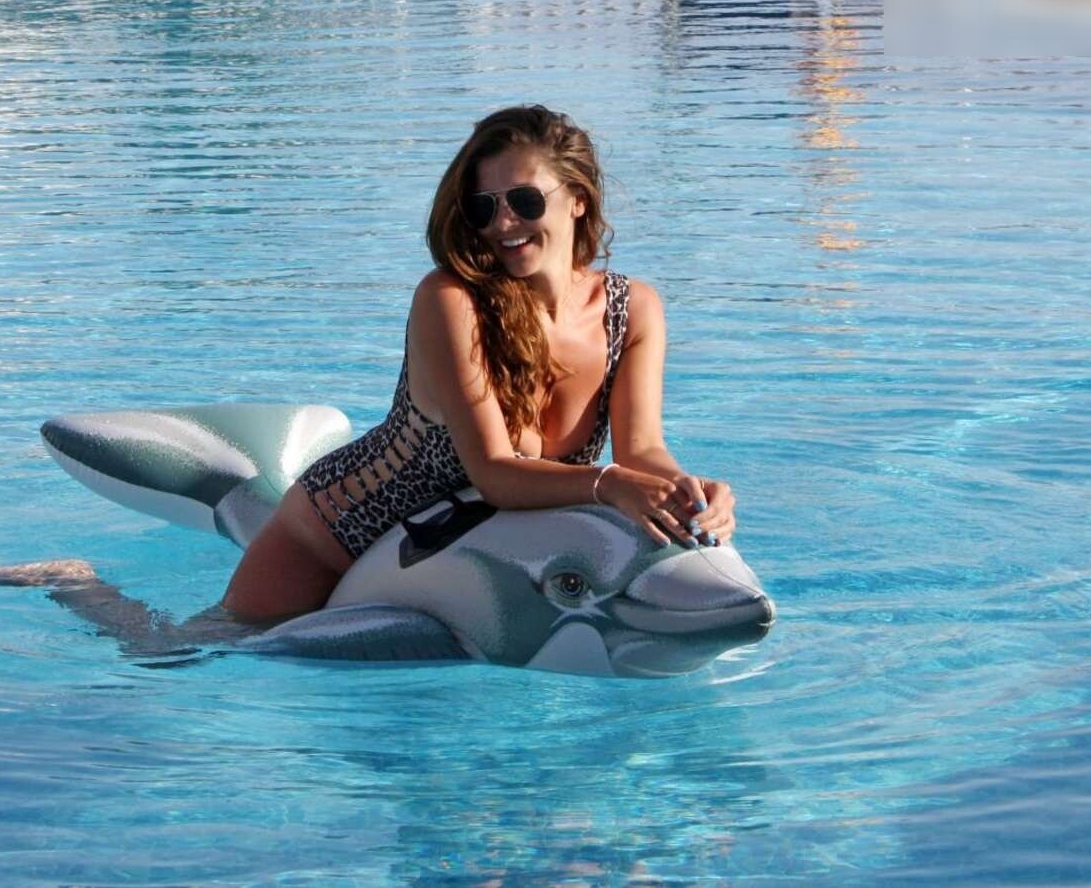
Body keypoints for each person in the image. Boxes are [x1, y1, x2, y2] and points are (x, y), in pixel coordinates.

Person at [221, 104, 736, 622]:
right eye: (484, 207)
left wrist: (688, 494)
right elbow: (494, 474)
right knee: (208, 653)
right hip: (336, 541)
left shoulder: (631, 311)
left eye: (525, 200)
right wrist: (609, 483)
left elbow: (641, 449)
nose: (504, 223)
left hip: (456, 570)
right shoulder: (452, 301)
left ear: (578, 199)